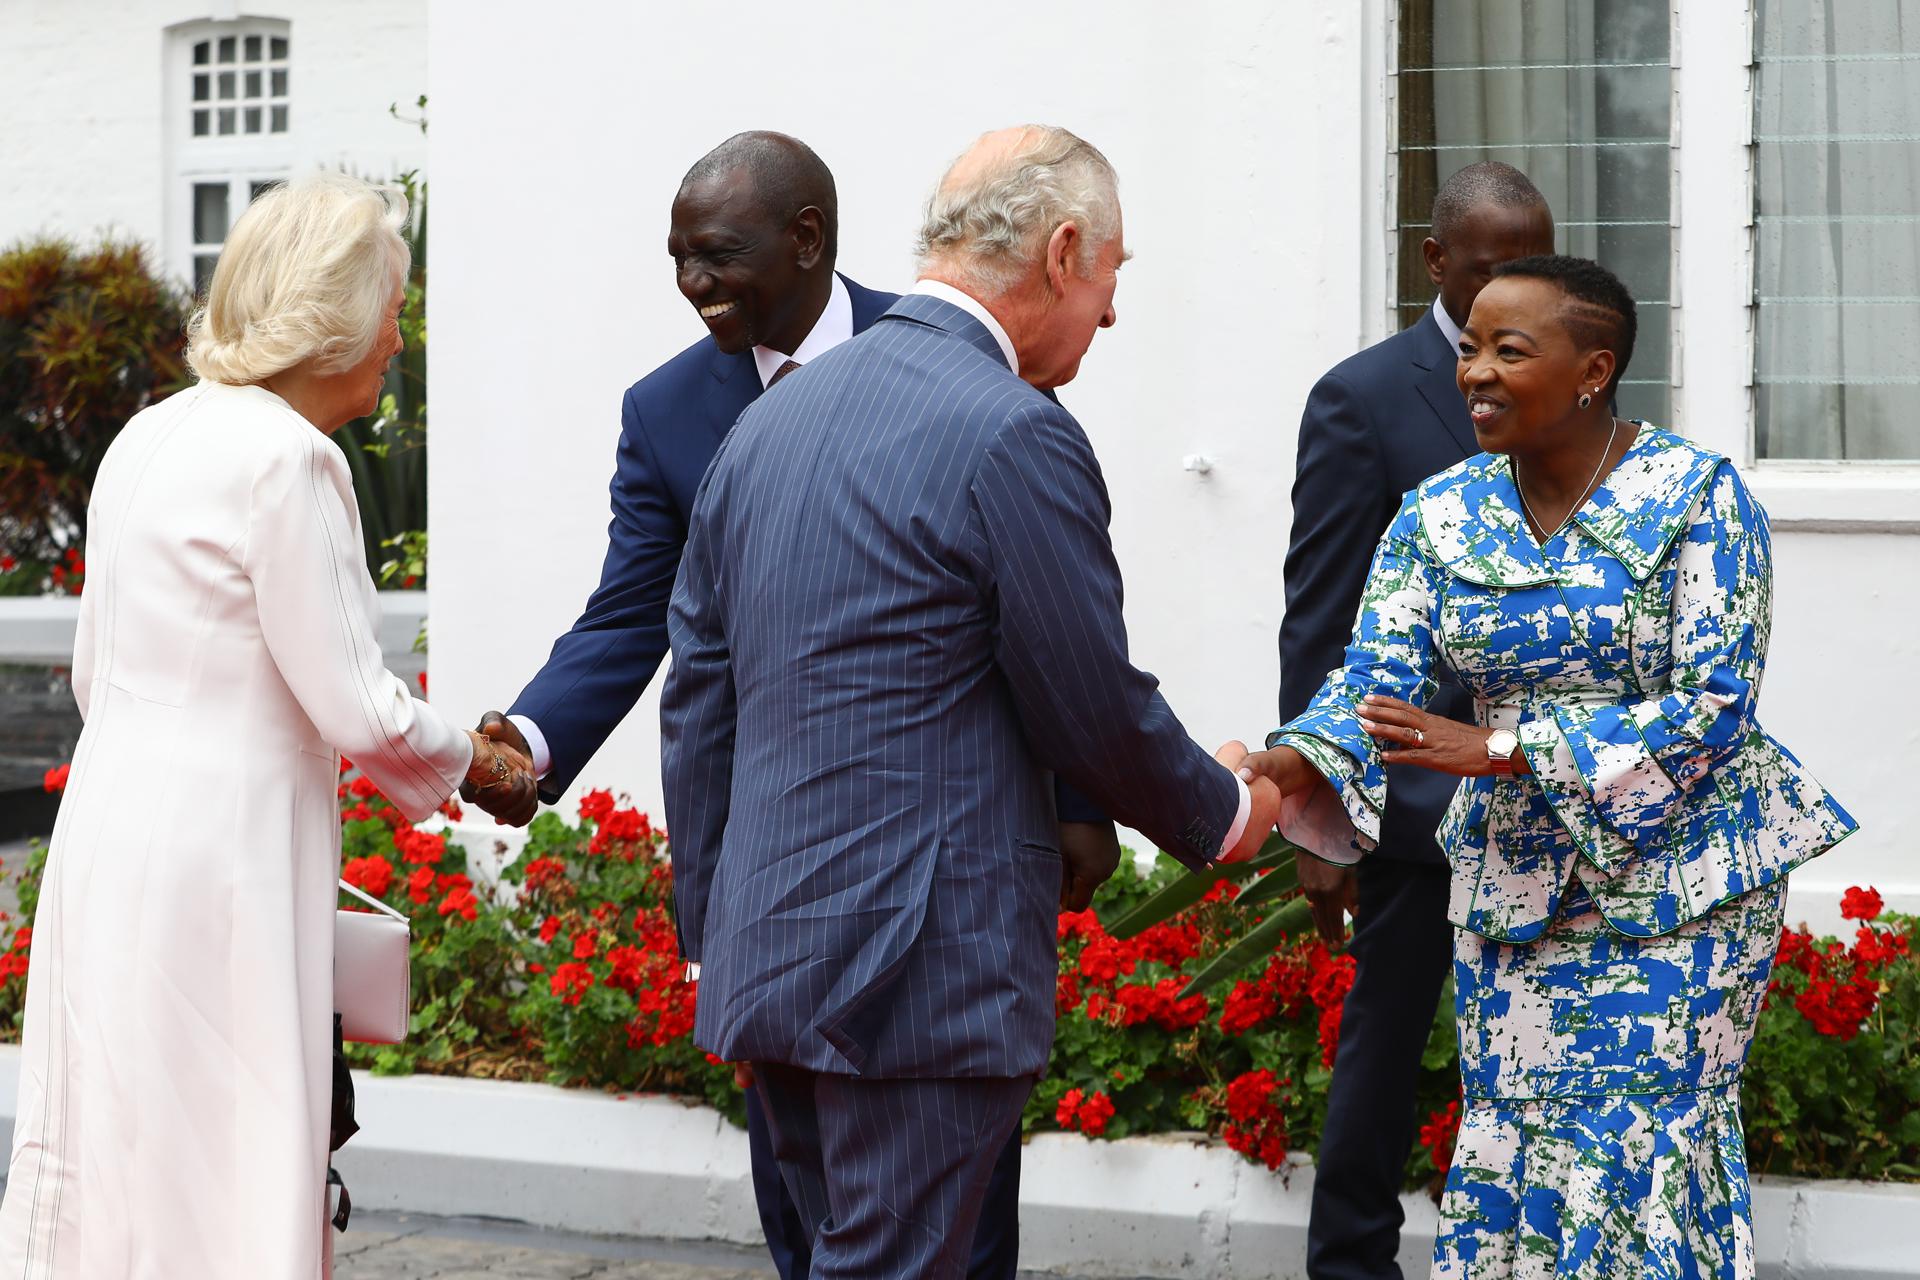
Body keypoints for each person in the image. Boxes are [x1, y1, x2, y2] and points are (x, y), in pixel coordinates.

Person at [660, 125, 1281, 1278]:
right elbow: (1088, 700)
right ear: (1059, 253)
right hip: (917, 974)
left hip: (770, 953)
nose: (1108, 315)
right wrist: (1227, 812)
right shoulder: (1012, 432)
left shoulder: (766, 425)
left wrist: (715, 926)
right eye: (1111, 276)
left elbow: (700, 696)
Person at [459, 131, 1064, 1280]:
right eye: (677, 259)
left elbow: (1043, 603)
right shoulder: (670, 410)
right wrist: (525, 745)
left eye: (719, 256)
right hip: (777, 870)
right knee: (806, 1207)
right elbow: (632, 615)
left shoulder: (953, 354)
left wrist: (1078, 797)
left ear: (808, 239)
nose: (696, 287)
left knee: (962, 1210)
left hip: (946, 869)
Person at [1244, 255, 1856, 1278]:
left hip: (1683, 884)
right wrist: (1296, 757)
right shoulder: (1440, 512)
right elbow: (1377, 676)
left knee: (1638, 1146)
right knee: (1518, 1135)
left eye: (1507, 349)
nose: (1473, 370)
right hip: (1514, 887)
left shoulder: (1696, 495)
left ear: (1593, 368)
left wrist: (1500, 745)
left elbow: (1714, 705)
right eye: (1469, 347)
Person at [0, 171, 533, 1279]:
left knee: (120, 1133)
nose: (397, 334)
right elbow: (356, 699)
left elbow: (97, 668)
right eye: (391, 303)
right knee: (226, 1146)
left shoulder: (148, 434)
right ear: (334, 320)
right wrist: (484, 766)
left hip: (112, 827)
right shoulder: (291, 459)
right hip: (221, 857)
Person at [1278, 161, 1552, 1280]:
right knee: (1388, 1042)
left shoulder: (1570, 378)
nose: (1514, 292)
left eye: (1532, 265)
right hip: (1415, 801)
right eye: (1493, 270)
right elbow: (1323, 617)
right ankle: (1351, 1258)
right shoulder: (1363, 395)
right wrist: (1320, 808)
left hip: (1542, 792)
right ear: (1436, 263)